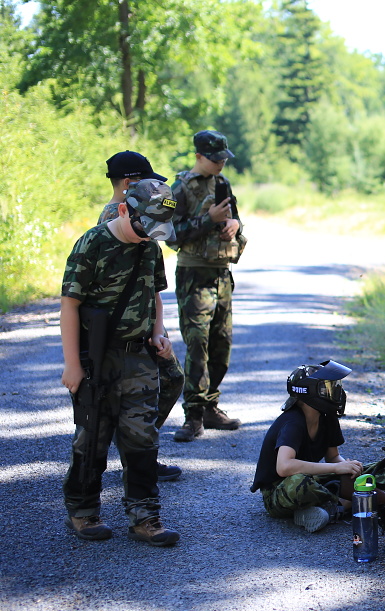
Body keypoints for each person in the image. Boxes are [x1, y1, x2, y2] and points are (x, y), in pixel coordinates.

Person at [60, 179, 180, 546]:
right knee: (92, 437)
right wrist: (72, 364)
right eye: (147, 225)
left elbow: (154, 295)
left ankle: (145, 516)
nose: (152, 234)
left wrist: (158, 332)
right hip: (97, 359)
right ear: (125, 210)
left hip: (139, 357)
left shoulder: (150, 247)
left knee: (142, 439)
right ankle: (83, 511)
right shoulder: (92, 243)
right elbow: (69, 305)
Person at [101, 151, 185, 482]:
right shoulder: (117, 217)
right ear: (128, 183)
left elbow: (152, 281)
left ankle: (139, 451)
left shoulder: (142, 214)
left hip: (147, 323)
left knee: (170, 379)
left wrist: (158, 327)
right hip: (128, 328)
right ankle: (137, 454)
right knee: (148, 388)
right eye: (145, 181)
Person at [169, 130, 246, 442]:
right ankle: (194, 415)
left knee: (220, 344)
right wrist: (208, 219)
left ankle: (211, 406)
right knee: (197, 343)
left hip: (221, 274)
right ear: (199, 156)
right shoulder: (179, 188)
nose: (221, 164)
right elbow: (170, 234)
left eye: (224, 158)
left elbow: (235, 218)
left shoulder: (223, 183)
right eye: (215, 159)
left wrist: (234, 225)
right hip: (194, 275)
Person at [250, 360, 382, 533]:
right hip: (280, 491)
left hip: (313, 479)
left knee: (374, 470)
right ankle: (345, 504)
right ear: (308, 392)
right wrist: (336, 469)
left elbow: (333, 457)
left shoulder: (326, 417)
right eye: (327, 387)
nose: (335, 391)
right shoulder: (292, 422)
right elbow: (284, 467)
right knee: (300, 484)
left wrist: (348, 469)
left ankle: (333, 507)